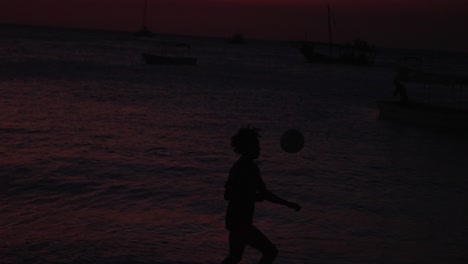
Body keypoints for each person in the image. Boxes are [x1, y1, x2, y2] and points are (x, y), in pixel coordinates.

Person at [222, 127, 301, 264]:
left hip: (238, 222)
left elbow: (263, 193)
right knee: (270, 252)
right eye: (256, 146)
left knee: (235, 257)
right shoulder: (241, 168)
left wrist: (287, 204)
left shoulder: (251, 168)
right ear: (248, 147)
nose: (259, 149)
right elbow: (229, 194)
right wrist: (251, 195)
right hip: (239, 223)